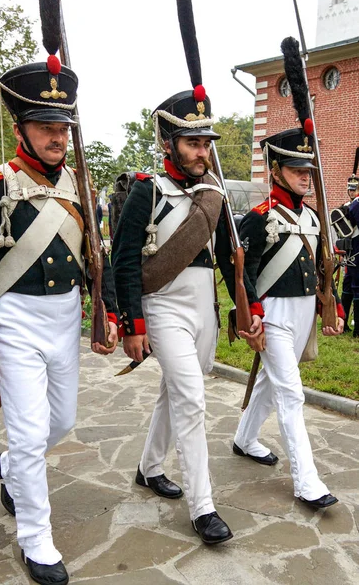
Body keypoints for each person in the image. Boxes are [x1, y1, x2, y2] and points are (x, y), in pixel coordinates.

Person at [0, 58, 118, 585]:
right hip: (13, 320)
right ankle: (36, 539)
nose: (57, 136)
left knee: (62, 422)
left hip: (65, 318)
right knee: (29, 434)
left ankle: (10, 465)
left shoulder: (81, 188)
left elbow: (99, 256)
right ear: (22, 126)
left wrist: (108, 311)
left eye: (63, 127)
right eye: (46, 125)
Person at [112, 85, 264, 545]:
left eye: (206, 143)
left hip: (203, 310)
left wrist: (247, 304)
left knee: (173, 395)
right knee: (192, 402)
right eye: (193, 142)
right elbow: (123, 259)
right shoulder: (146, 190)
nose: (202, 152)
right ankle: (204, 508)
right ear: (169, 144)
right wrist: (131, 324)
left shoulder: (211, 194)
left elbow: (228, 258)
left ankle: (148, 467)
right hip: (162, 307)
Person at [233, 128, 344, 509]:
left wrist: (335, 307)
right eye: (297, 169)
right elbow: (244, 274)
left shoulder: (314, 218)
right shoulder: (258, 218)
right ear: (276, 170)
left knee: (270, 383)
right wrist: (255, 315)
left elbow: (323, 270)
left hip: (302, 313)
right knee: (290, 393)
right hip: (273, 315)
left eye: (308, 170)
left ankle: (244, 439)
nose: (304, 176)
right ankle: (307, 481)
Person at [346, 175, 359, 337]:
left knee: (351, 284)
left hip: (353, 250)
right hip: (356, 248)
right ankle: (357, 329)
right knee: (356, 286)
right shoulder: (356, 204)